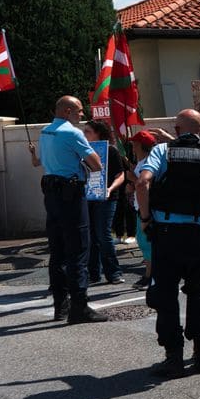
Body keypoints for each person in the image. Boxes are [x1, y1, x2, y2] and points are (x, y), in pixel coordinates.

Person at [136, 109, 200, 377]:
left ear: (177, 130)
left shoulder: (162, 151)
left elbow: (142, 183)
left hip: (166, 234)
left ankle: (173, 358)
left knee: (166, 296)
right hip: (199, 235)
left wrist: (145, 219)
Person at [28, 96, 108, 324]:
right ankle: (79, 307)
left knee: (58, 250)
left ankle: (60, 306)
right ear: (66, 111)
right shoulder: (72, 133)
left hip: (51, 193)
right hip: (71, 194)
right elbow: (96, 164)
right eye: (79, 111)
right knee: (79, 249)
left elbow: (42, 160)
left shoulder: (45, 132)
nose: (82, 116)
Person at [82, 120, 127, 285]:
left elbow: (121, 175)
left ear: (98, 133)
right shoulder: (83, 151)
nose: (84, 134)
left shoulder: (111, 150)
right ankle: (93, 273)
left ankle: (114, 273)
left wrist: (109, 189)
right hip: (88, 197)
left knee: (103, 234)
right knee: (90, 235)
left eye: (88, 131)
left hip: (106, 198)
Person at [129, 130, 160, 289]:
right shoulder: (141, 163)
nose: (132, 146)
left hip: (145, 209)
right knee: (144, 242)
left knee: (146, 242)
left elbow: (144, 185)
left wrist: (132, 177)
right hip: (139, 208)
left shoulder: (149, 163)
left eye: (134, 143)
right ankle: (150, 273)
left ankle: (150, 275)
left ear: (140, 145)